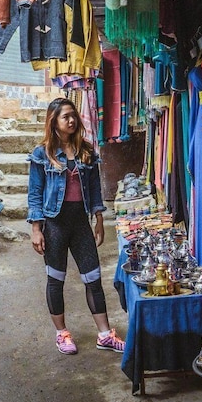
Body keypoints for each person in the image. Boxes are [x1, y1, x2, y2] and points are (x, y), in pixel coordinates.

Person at [27, 97, 125, 355]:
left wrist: (100, 219)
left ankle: (104, 334)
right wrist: (36, 228)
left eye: (73, 116)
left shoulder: (87, 151)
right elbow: (35, 193)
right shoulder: (42, 154)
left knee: (93, 278)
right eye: (65, 116)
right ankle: (62, 334)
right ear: (54, 122)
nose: (71, 120)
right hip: (54, 222)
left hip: (81, 222)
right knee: (55, 279)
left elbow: (94, 190)